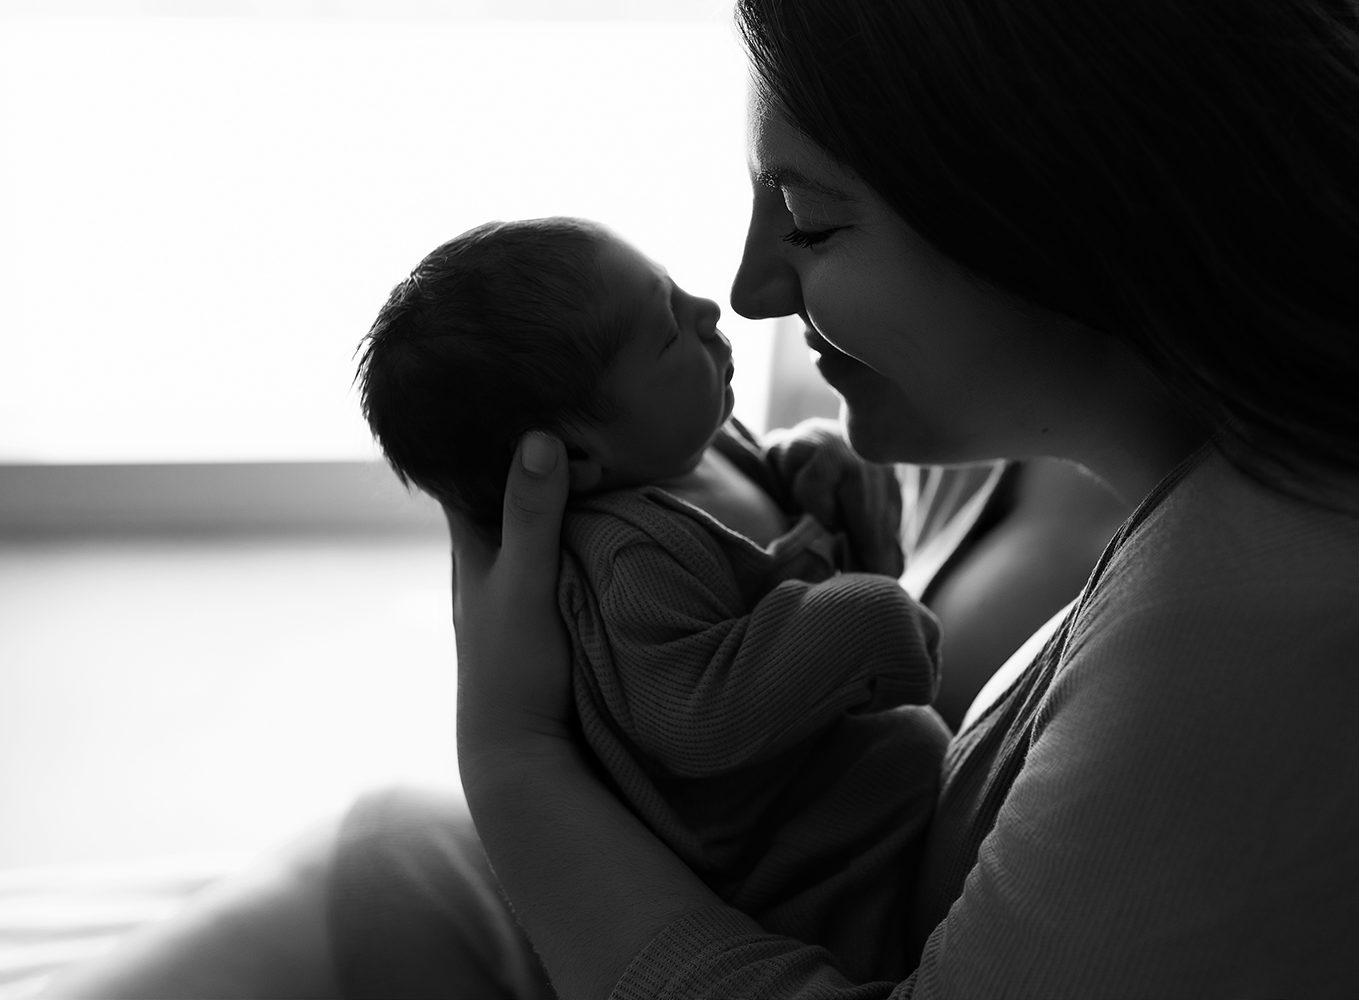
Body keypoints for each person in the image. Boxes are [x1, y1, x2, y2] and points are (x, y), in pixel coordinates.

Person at [48, 0, 1359, 995]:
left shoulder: (1279, 624)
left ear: (1063, 195)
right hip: (463, 890)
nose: (746, 291)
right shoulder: (1178, 475)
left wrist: (523, 766)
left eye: (810, 221)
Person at [355, 217, 947, 982]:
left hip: (888, 818)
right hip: (820, 882)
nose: (710, 311)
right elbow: (696, 712)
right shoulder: (626, 553)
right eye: (669, 333)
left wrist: (807, 469)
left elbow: (772, 544)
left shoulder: (693, 440)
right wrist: (866, 621)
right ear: (574, 457)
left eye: (676, 291)